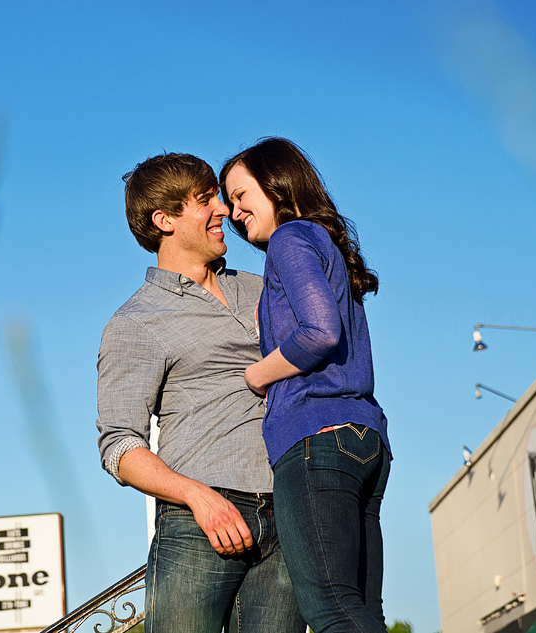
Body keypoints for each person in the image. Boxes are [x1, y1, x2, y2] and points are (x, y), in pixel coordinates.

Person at [95, 152, 304, 633]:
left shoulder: (266, 286)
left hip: (289, 510)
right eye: (206, 200)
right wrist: (197, 498)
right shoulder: (135, 323)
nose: (225, 211)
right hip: (199, 525)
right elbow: (119, 447)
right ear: (164, 220)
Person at [220, 138, 392, 633]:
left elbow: (320, 332)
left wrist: (255, 375)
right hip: (365, 441)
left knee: (332, 611)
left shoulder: (290, 240)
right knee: (361, 611)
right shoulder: (324, 243)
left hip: (318, 440)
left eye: (240, 195)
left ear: (277, 182)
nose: (234, 212)